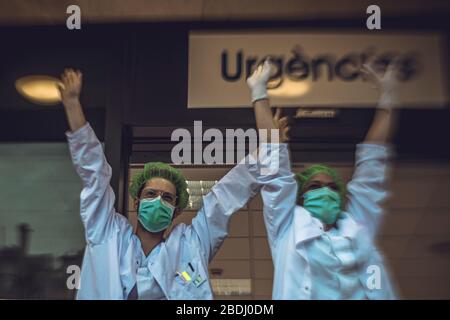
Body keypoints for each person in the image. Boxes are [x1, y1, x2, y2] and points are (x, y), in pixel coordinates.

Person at [59, 66, 285, 300]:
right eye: (151, 194)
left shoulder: (190, 246)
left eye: (167, 197)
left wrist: (272, 148)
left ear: (176, 210)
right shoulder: (108, 233)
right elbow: (95, 175)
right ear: (136, 201)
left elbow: (225, 197)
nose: (158, 201)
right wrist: (73, 104)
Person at [246, 58, 400, 299]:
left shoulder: (357, 225)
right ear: (301, 197)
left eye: (331, 188)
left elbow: (372, 166)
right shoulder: (287, 227)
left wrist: (387, 98)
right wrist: (258, 93)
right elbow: (273, 164)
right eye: (315, 186)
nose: (325, 192)